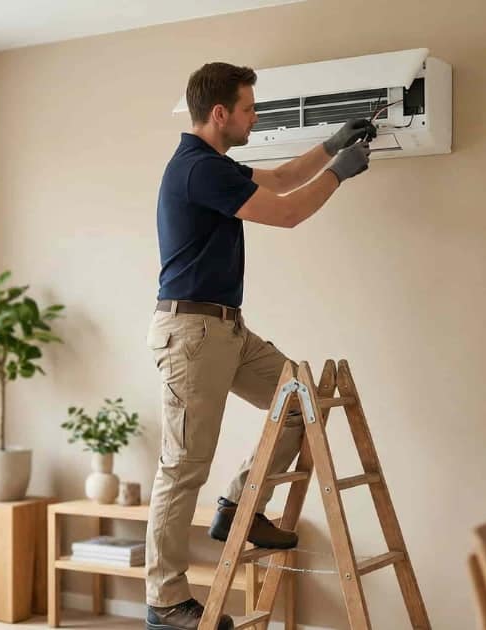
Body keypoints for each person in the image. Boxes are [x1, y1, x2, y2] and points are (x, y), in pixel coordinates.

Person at [145, 61, 376, 630]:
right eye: (249, 109)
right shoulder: (196, 170)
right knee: (183, 467)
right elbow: (288, 212)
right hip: (192, 333)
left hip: (226, 328)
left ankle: (238, 508)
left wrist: (331, 145)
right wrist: (340, 173)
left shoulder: (214, 166)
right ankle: (164, 600)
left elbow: (278, 180)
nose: (255, 118)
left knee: (298, 403)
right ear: (219, 113)